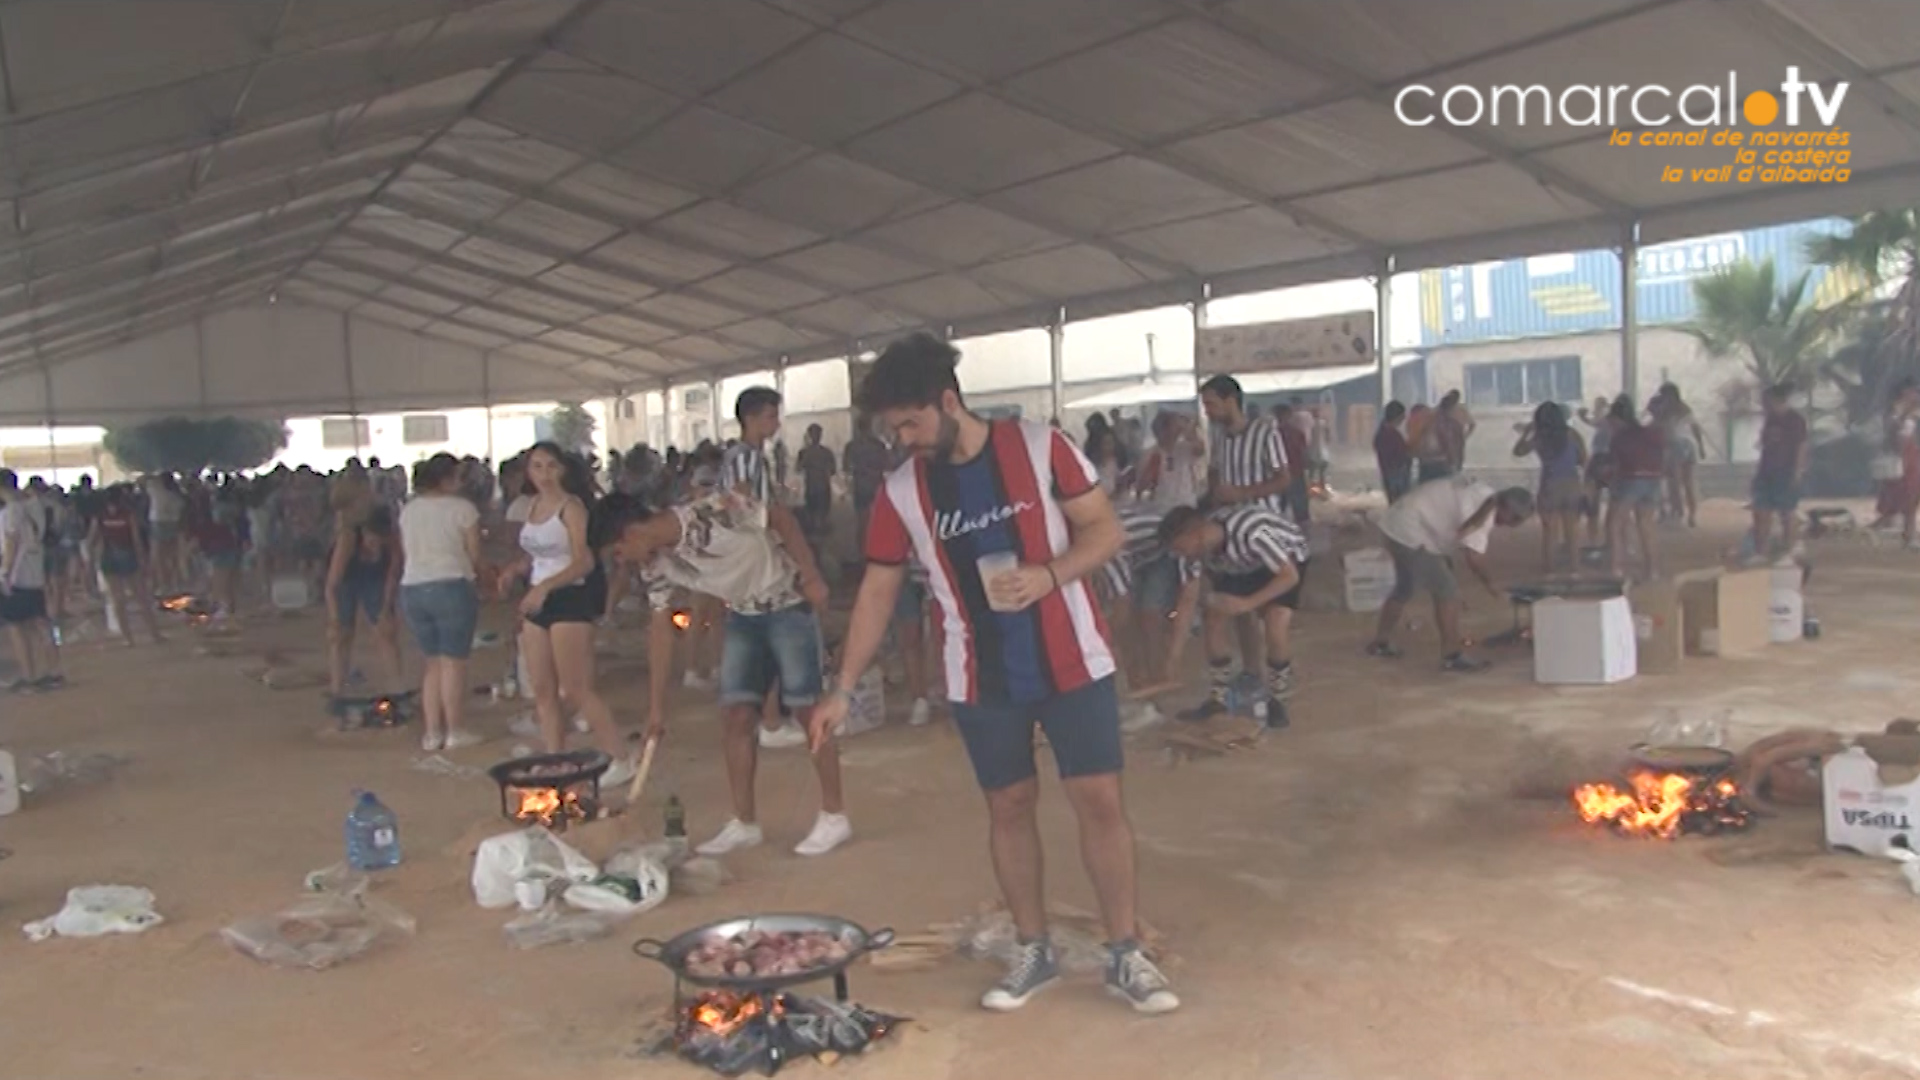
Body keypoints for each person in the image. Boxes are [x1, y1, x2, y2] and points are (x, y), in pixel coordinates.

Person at [809, 332, 1176, 1015]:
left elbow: (1106, 531)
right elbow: (878, 593)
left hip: (1073, 659)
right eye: (895, 429)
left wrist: (1049, 576)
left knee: (1098, 800)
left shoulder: (1041, 448)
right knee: (1008, 806)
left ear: (948, 401)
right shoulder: (901, 491)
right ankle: (1032, 949)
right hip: (979, 676)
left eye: (913, 424)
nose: (906, 440)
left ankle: (1126, 952)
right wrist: (841, 686)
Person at [605, 489, 851, 857]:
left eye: (618, 552)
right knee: (736, 716)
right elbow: (660, 631)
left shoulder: (713, 508)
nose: (621, 562)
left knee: (808, 711)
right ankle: (744, 821)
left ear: (630, 533)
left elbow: (780, 517)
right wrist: (656, 709)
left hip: (787, 605)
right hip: (741, 615)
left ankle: (834, 815)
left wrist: (811, 574)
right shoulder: (654, 565)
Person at [507, 443, 634, 784]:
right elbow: (537, 553)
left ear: (562, 470)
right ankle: (556, 758)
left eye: (550, 466)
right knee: (543, 689)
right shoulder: (531, 506)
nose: (544, 474)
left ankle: (620, 755)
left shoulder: (572, 507)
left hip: (569, 596)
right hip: (539, 598)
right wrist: (517, 570)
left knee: (576, 688)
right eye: (537, 467)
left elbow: (584, 560)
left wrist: (545, 586)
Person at [1159, 502, 1310, 725]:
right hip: (1237, 566)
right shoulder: (1196, 554)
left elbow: (1289, 576)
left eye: (1180, 548)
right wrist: (1173, 657)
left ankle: (1278, 699)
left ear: (1194, 534)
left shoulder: (1252, 531)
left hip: (1284, 563)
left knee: (1275, 622)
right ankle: (1218, 698)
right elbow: (1188, 601)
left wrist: (1247, 603)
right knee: (1214, 614)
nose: (1179, 554)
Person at [1364, 478, 1534, 672]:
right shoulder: (1482, 514)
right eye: (1515, 519)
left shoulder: (1485, 495)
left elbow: (1453, 542)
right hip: (1410, 532)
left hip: (1398, 524)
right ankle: (1452, 655)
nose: (1513, 524)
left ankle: (1381, 642)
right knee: (1447, 592)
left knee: (1406, 587)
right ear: (1507, 510)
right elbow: (1474, 558)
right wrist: (1491, 585)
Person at [398, 453, 486, 752]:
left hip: (413, 586)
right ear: (447, 478)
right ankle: (455, 729)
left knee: (432, 663)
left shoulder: (408, 511)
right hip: (451, 584)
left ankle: (432, 732)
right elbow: (473, 554)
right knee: (454, 663)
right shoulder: (464, 509)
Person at [326, 506, 404, 700]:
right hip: (346, 579)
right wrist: (334, 619)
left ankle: (397, 688)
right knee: (341, 636)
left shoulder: (394, 542)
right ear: (365, 532)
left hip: (375, 578)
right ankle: (338, 690)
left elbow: (391, 578)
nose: (375, 544)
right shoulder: (348, 540)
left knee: (386, 634)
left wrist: (386, 611)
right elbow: (332, 586)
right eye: (372, 539)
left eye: (380, 540)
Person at [1, 470, 64, 691]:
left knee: (16, 627)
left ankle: (29, 676)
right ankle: (54, 671)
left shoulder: (11, 511)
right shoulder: (35, 505)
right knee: (40, 623)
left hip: (16, 575)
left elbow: (11, 543)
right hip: (35, 571)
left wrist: (5, 573)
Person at [1512, 402, 1588, 574]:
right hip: (1571, 483)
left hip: (1549, 484)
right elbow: (1583, 459)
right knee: (1572, 530)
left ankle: (1550, 570)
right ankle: (1574, 569)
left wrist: (1526, 432)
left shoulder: (1540, 437)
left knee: (1550, 531)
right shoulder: (1572, 434)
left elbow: (1518, 451)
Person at [1202, 374, 1291, 516]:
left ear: (1230, 401)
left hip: (1263, 519)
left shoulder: (1265, 432)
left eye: (1210, 404)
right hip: (1228, 516)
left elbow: (1283, 479)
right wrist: (1215, 493)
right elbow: (1214, 470)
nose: (1207, 411)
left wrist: (1242, 493)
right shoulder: (1218, 436)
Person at [90, 484, 165, 647]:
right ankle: (154, 634)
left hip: (108, 556)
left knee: (117, 599)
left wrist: (92, 560)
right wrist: (144, 561)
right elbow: (136, 540)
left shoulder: (100, 516)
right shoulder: (128, 515)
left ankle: (127, 637)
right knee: (141, 597)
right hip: (128, 555)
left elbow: (92, 539)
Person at [1605, 397, 1665, 581]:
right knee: (1646, 525)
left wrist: (1612, 485)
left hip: (1631, 479)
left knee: (1616, 524)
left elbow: (1616, 464)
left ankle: (1617, 569)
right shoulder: (1648, 433)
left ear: (1618, 419)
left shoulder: (1619, 437)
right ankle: (1652, 571)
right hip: (1653, 479)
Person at [1751, 383, 1809, 560]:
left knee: (1787, 511)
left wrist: (1798, 471)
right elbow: (1764, 442)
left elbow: (1802, 446)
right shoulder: (1770, 419)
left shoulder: (1795, 420)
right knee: (1761, 511)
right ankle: (1761, 551)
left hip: (1786, 470)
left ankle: (1790, 547)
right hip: (1767, 470)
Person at [1654, 384, 1707, 527]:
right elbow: (1695, 427)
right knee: (1688, 482)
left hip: (1675, 445)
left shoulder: (1666, 410)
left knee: (1674, 481)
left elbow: (1659, 426)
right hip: (1688, 445)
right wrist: (1701, 447)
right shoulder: (1685, 408)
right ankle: (1691, 514)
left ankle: (1677, 512)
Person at [1875, 379, 1920, 547]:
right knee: (1905, 495)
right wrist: (1906, 414)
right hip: (1901, 456)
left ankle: (1909, 533)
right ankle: (1908, 533)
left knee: (1913, 497)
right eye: (1913, 391)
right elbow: (1893, 432)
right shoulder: (1894, 410)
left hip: (1912, 454)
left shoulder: (1913, 411)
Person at [1133, 411, 1204, 511]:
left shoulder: (1185, 448)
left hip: (1186, 503)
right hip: (1160, 505)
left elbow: (1200, 449)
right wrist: (1150, 470)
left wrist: (1188, 429)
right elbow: (1141, 486)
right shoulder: (1150, 453)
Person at [1576, 395, 1616, 547]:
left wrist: (1583, 416)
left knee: (1593, 504)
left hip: (1600, 461)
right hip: (1611, 462)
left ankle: (1596, 540)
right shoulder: (1612, 422)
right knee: (1614, 504)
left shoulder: (1605, 420)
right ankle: (1613, 541)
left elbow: (1593, 421)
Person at [143, 472, 187, 593]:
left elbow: (144, 479)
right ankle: (175, 582)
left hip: (158, 523)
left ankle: (163, 584)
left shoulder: (155, 490)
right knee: (171, 557)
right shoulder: (177, 495)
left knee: (158, 558)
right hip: (173, 524)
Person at [1270, 404, 1312, 523]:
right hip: (1294, 472)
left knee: (1279, 504)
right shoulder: (1296, 432)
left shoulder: (1273, 434)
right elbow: (1304, 452)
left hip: (1280, 474)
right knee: (1299, 505)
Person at [796, 424, 836, 537]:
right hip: (823, 485)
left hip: (811, 486)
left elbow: (798, 469)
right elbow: (833, 470)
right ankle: (821, 531)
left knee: (812, 512)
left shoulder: (803, 452)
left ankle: (815, 534)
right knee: (822, 512)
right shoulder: (827, 452)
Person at [1373, 402, 1413, 503]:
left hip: (1387, 473)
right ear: (1397, 416)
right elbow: (1400, 455)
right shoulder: (1392, 435)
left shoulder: (1382, 433)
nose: (1404, 419)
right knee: (1401, 504)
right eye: (1403, 416)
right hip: (1396, 474)